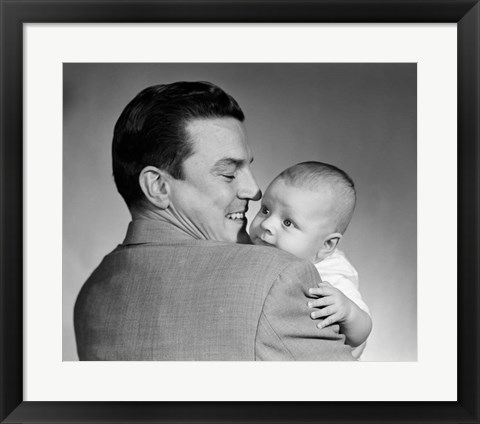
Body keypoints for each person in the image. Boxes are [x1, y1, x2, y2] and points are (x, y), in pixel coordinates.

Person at [74, 81, 355, 361]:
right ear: (158, 186)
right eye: (229, 173)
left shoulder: (90, 296)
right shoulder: (276, 277)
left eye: (248, 168)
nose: (254, 191)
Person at [249, 162, 372, 358]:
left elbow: (362, 332)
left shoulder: (332, 277)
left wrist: (347, 311)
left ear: (326, 245)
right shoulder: (257, 248)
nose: (267, 224)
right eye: (265, 210)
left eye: (288, 222)